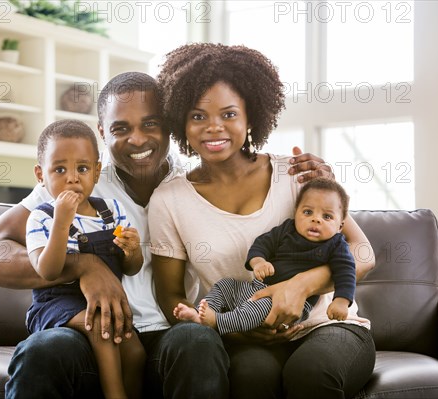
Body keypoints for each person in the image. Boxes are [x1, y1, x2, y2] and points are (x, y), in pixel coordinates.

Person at [0, 71, 335, 399]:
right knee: (43, 350)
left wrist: (313, 181)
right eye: (120, 128)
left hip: (170, 332)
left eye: (151, 124)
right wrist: (83, 266)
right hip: (90, 334)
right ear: (101, 132)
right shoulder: (77, 181)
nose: (137, 139)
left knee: (197, 340)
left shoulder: (193, 187)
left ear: (170, 126)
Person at [150, 43, 376, 398]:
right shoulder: (169, 200)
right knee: (251, 376)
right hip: (247, 333)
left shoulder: (296, 173)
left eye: (228, 114)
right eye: (197, 116)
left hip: (326, 324)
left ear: (251, 116)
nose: (213, 128)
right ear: (180, 120)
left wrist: (300, 286)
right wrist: (234, 329)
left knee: (311, 373)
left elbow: (363, 253)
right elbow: (171, 296)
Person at [24, 119, 144, 399]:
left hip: (106, 301)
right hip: (55, 305)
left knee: (135, 351)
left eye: (82, 168)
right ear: (41, 174)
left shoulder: (111, 211)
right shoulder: (41, 217)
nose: (72, 178)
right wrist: (61, 224)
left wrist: (133, 250)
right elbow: (47, 270)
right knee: (103, 327)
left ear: (97, 171)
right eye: (60, 169)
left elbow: (131, 268)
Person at [174, 177, 356, 335]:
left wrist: (341, 300)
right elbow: (262, 244)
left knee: (257, 310)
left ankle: (217, 322)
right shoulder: (287, 229)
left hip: (289, 304)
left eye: (327, 216)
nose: (316, 219)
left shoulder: (336, 244)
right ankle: (202, 314)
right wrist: (258, 262)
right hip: (257, 289)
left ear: (340, 225)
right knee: (225, 285)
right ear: (296, 212)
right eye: (308, 212)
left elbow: (347, 272)